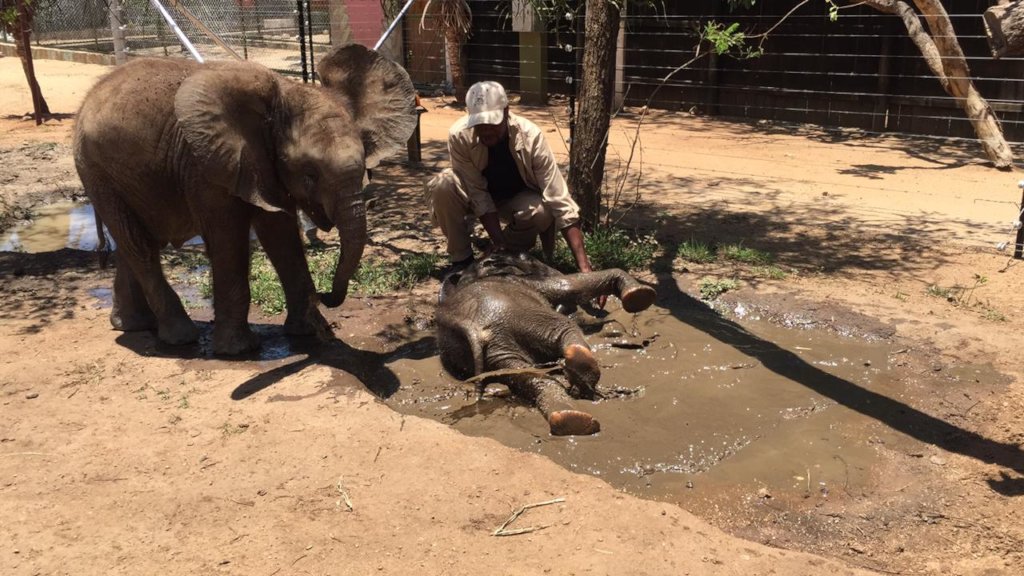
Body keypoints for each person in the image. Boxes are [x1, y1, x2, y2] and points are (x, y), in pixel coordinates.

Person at [426, 80, 596, 277]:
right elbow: (477, 193)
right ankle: (462, 260)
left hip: (515, 200)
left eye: (492, 123)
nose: (486, 129)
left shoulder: (531, 135)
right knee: (442, 185)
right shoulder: (459, 135)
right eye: (480, 124)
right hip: (474, 200)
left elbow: (559, 198)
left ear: (506, 112)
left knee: (542, 211)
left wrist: (584, 267)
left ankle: (504, 253)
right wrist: (497, 239)